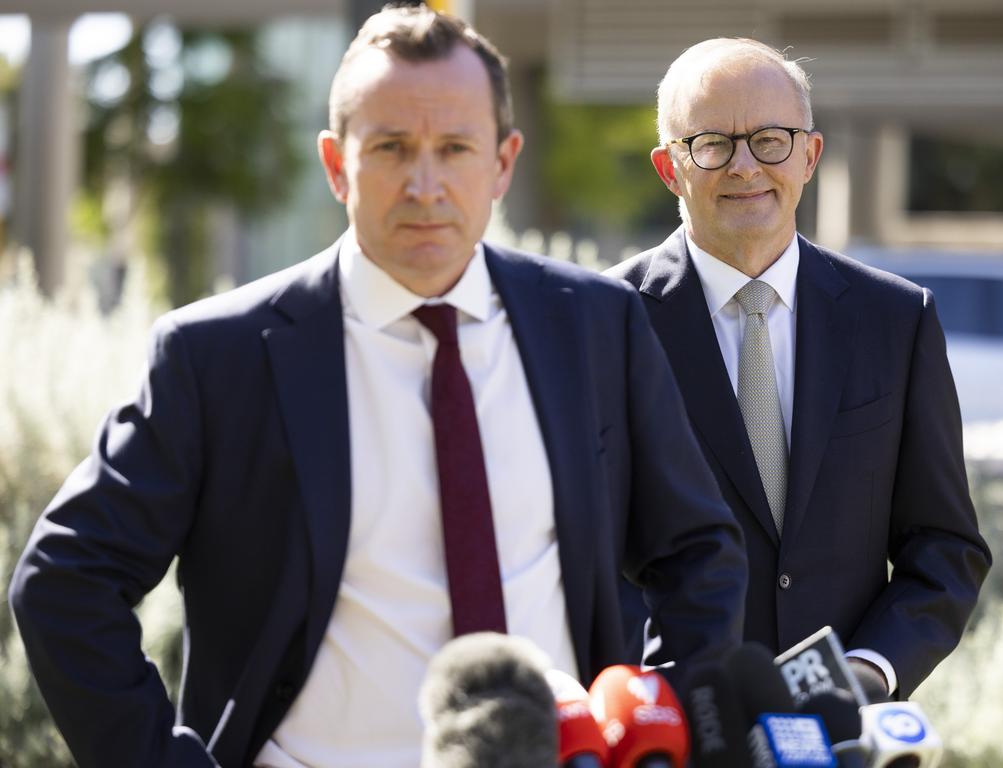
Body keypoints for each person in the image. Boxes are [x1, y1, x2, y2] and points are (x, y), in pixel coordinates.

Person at [9, 7, 747, 768]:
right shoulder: (216, 357)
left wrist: (662, 727)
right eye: (392, 148)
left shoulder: (595, 324)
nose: (425, 185)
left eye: (455, 148)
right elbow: (65, 582)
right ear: (336, 164)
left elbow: (697, 551)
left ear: (502, 163)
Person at [608, 37, 991, 700]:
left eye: (771, 139)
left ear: (809, 155)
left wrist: (870, 671)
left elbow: (944, 548)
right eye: (712, 143)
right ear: (670, 168)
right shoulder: (604, 322)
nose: (745, 166)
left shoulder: (895, 320)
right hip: (669, 729)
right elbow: (578, 548)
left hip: (842, 725)